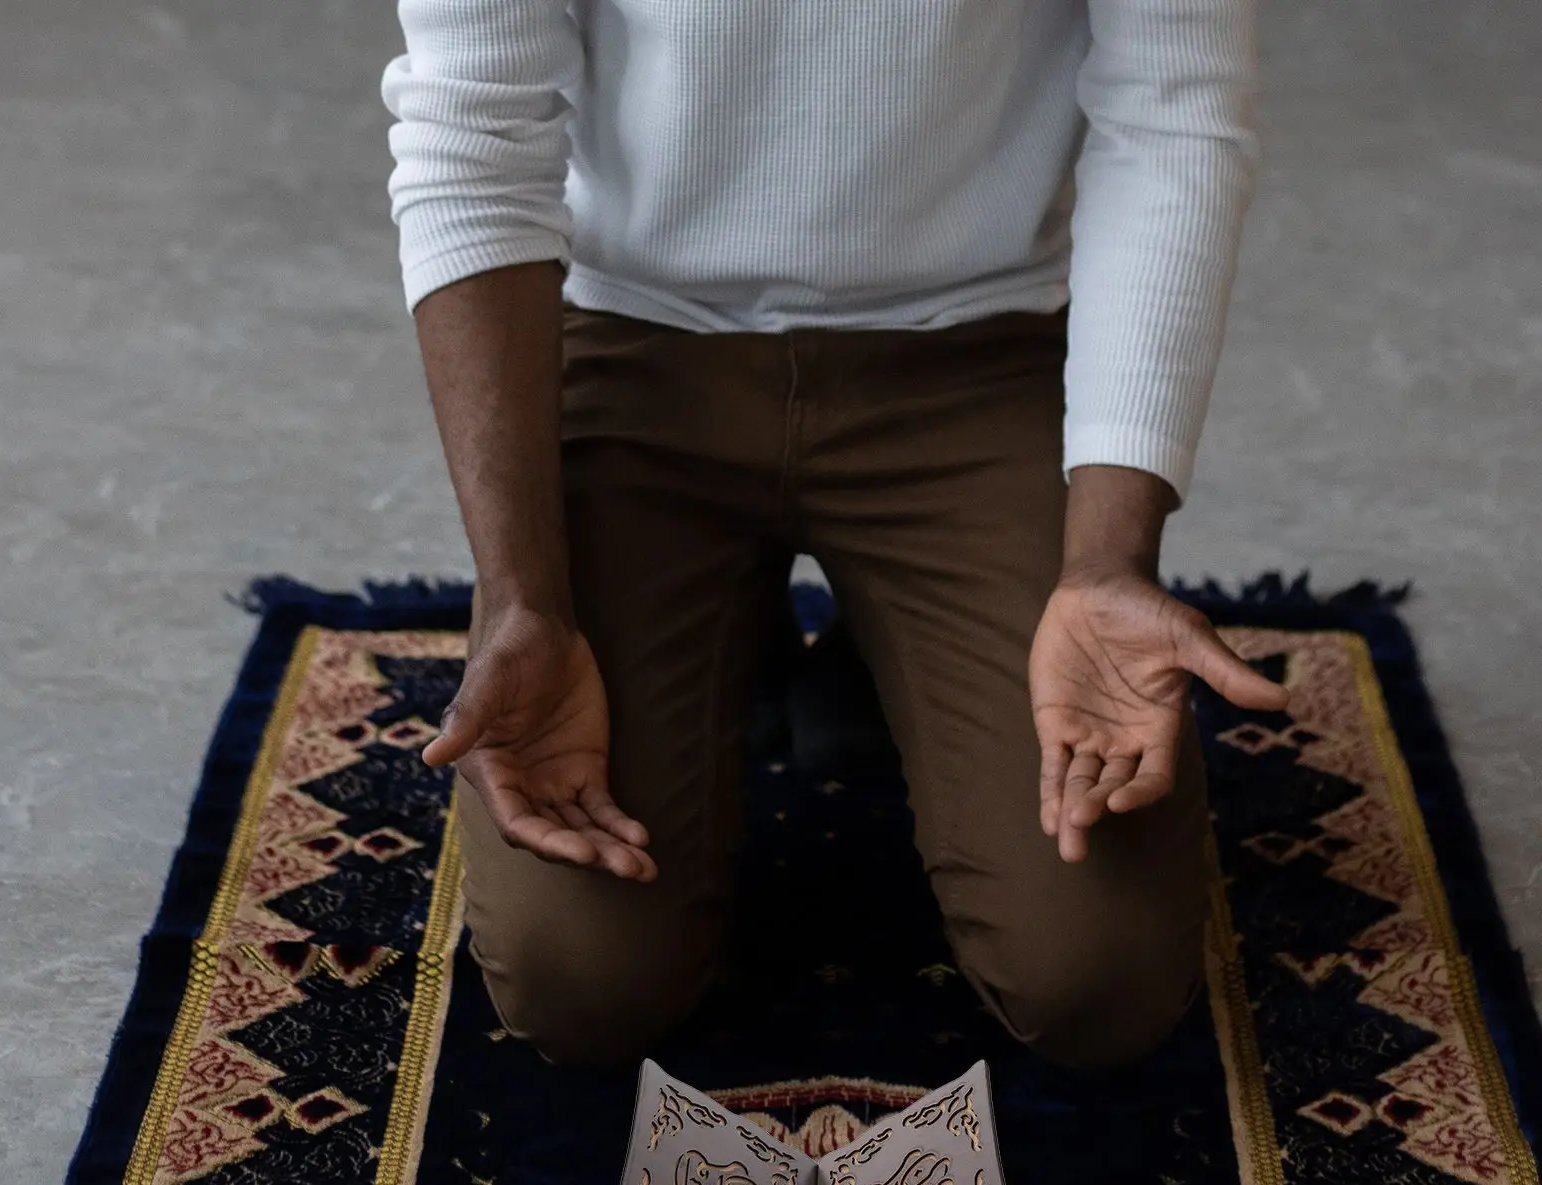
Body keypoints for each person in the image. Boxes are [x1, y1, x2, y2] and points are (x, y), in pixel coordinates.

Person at [379, 0, 1289, 1072]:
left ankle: (870, 653)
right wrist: (523, 593)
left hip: (972, 352)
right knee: (581, 985)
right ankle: (744, 638)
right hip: (635, 353)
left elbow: (1173, 114)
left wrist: (1105, 557)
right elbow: (475, 130)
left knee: (1093, 981)